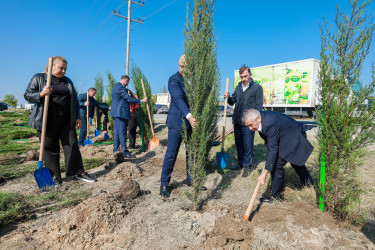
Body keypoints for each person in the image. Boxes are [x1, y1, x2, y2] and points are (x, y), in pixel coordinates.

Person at [24, 56, 96, 185]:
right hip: (46, 120)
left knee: (72, 146)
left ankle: (77, 172)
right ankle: (54, 177)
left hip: (66, 121)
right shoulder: (39, 78)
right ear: (52, 66)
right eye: (60, 68)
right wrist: (40, 94)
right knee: (50, 149)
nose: (63, 71)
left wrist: (78, 117)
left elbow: (73, 100)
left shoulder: (68, 81)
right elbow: (28, 94)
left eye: (65, 69)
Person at [242, 109, 315, 202]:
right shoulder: (260, 120)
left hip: (294, 136)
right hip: (285, 136)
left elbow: (273, 149)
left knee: (277, 164)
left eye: (251, 125)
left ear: (258, 118)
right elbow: (270, 143)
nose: (250, 128)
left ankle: (277, 196)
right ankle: (309, 184)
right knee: (290, 160)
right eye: (247, 126)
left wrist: (264, 174)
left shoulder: (269, 123)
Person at [160, 55, 202, 198]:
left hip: (193, 122)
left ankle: (191, 179)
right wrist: (189, 116)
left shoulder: (196, 80)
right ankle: (164, 184)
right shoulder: (174, 80)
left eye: (184, 66)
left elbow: (205, 90)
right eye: (180, 66)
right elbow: (178, 99)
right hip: (177, 121)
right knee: (171, 153)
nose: (181, 69)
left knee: (192, 152)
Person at [224, 65, 263, 177]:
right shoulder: (238, 88)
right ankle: (240, 164)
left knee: (248, 145)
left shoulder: (257, 88)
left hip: (248, 122)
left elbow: (259, 106)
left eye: (245, 76)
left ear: (250, 75)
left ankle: (247, 166)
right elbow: (232, 102)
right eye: (241, 77)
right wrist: (228, 97)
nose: (243, 79)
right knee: (239, 144)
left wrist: (255, 121)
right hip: (237, 121)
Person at [110, 75, 147, 158]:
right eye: (128, 82)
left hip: (116, 113)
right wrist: (141, 101)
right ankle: (125, 152)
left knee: (117, 132)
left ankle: (116, 150)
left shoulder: (116, 86)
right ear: (125, 80)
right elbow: (128, 99)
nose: (127, 84)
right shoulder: (121, 87)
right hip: (120, 113)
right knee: (122, 133)